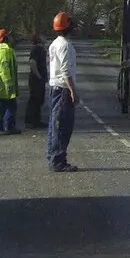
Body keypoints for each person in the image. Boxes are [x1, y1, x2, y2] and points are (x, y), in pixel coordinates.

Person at [46, 12, 78, 172]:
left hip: (56, 88)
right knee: (62, 125)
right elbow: (65, 70)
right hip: (63, 89)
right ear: (67, 26)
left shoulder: (54, 44)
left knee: (55, 124)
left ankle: (53, 156)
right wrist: (73, 90)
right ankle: (58, 160)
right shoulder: (65, 45)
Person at [25, 32, 48, 129]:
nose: (45, 37)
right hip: (36, 79)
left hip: (39, 79)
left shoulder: (41, 49)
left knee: (39, 100)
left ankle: (36, 120)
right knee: (35, 100)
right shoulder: (37, 49)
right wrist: (39, 76)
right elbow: (32, 62)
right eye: (43, 36)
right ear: (39, 39)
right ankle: (31, 121)